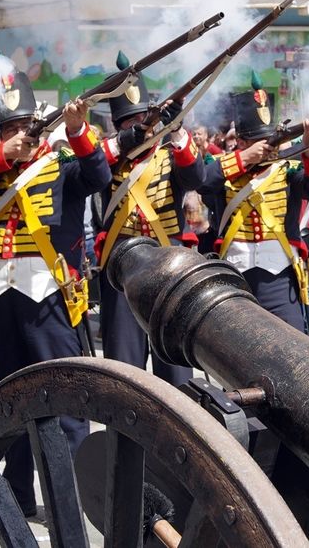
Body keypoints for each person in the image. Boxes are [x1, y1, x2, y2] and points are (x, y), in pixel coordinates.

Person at [0, 74, 109, 519]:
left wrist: (79, 131)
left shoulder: (60, 161)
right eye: (7, 130)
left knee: (63, 398)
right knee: (10, 399)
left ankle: (79, 500)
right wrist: (0, 155)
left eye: (22, 127)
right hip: (1, 293)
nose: (16, 136)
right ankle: (19, 493)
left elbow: (98, 175)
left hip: (49, 292)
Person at [95, 54, 203, 385]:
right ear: (119, 128)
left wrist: (177, 129)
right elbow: (92, 165)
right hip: (121, 273)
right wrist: (128, 140)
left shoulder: (171, 154)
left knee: (176, 371)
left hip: (169, 268)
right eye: (130, 122)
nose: (140, 125)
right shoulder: (109, 160)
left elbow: (196, 176)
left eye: (143, 118)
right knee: (125, 372)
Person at [202, 81, 309, 331]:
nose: (267, 148)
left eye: (268, 140)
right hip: (234, 274)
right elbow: (203, 182)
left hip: (280, 277)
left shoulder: (288, 168)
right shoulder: (223, 166)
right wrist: (245, 158)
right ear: (240, 142)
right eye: (257, 141)